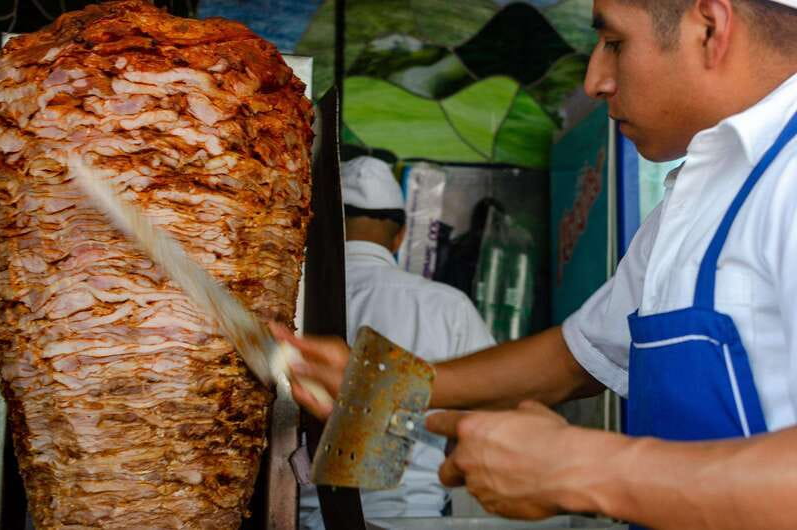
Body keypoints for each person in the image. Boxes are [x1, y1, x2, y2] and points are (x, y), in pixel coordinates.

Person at [281, 1, 797, 528]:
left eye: (614, 43)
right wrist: (374, 384)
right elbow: (577, 355)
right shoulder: (696, 197)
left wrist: (582, 468)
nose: (595, 80)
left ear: (709, 28)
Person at [298, 156, 495, 529]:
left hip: (308, 518)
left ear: (321, 225)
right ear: (400, 235)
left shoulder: (295, 302)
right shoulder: (449, 306)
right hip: (415, 516)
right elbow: (477, 424)